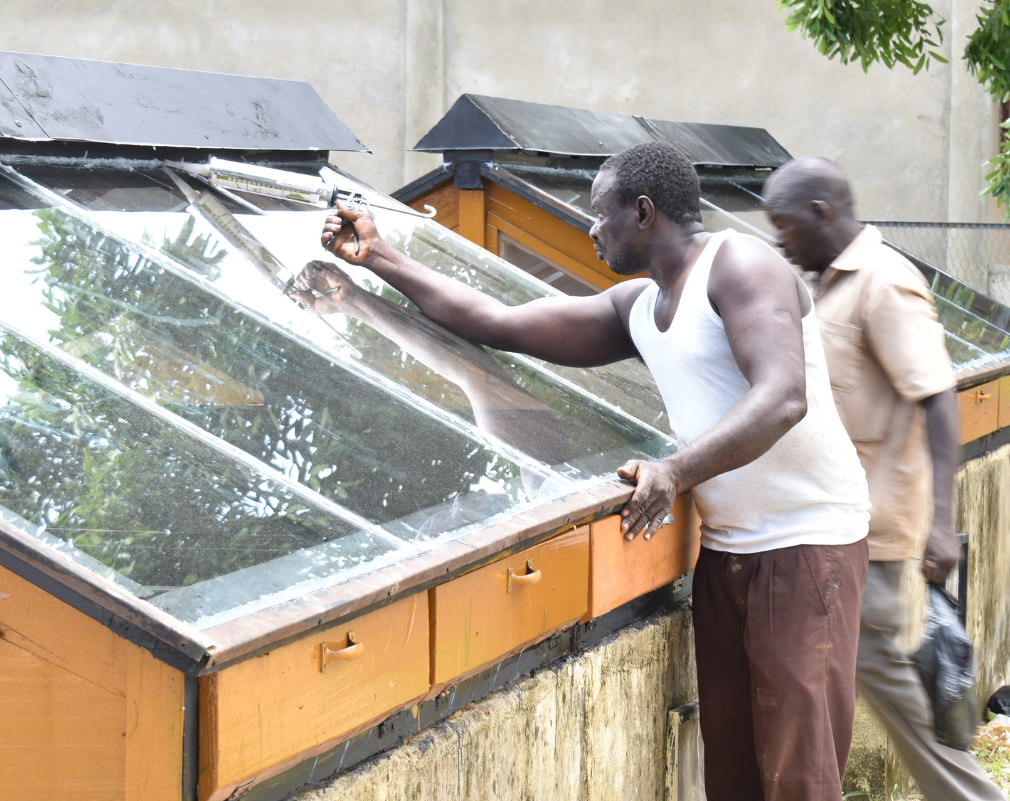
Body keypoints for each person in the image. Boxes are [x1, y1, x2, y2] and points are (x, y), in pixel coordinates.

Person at [302, 141, 871, 801]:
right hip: (729, 552)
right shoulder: (638, 307)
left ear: (643, 211)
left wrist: (674, 471)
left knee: (799, 776)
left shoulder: (739, 264)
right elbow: (497, 322)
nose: (591, 229)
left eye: (599, 214)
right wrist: (376, 257)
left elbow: (782, 396)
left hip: (805, 548)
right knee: (737, 776)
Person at [764, 156, 1007, 801]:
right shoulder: (829, 288)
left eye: (784, 225)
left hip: (879, 546)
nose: (779, 241)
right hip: (834, 534)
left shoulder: (882, 282)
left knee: (910, 710)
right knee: (827, 699)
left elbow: (937, 397)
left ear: (822, 213)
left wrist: (944, 525)